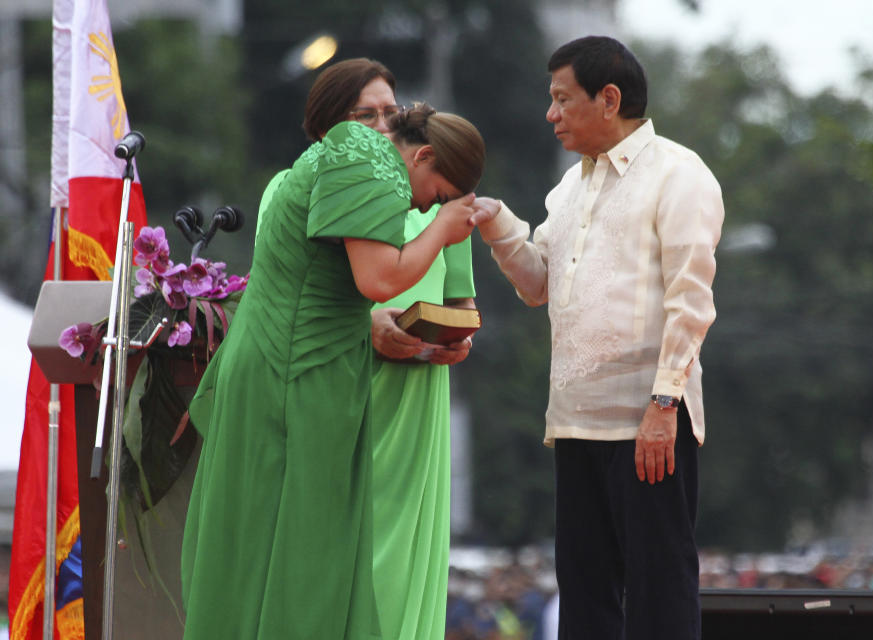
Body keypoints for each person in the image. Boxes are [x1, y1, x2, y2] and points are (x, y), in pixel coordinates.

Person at [180, 100, 486, 639]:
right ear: (425, 155)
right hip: (292, 371)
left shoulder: (359, 155)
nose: (425, 208)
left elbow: (344, 280)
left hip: (306, 364)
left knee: (307, 547)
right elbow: (378, 279)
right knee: (301, 549)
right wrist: (441, 228)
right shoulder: (367, 159)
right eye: (436, 194)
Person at [469, 36, 724, 639]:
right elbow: (539, 286)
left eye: (562, 99)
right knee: (584, 593)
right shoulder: (571, 187)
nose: (550, 114)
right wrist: (498, 223)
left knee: (659, 588)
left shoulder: (679, 174)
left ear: (608, 100)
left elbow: (691, 302)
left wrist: (664, 404)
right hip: (576, 419)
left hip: (649, 420)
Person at [255, 58, 476, 639]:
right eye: (364, 115)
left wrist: (452, 338)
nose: (382, 125)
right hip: (339, 380)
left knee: (404, 560)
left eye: (390, 113)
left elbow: (464, 302)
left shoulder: (439, 191)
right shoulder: (291, 187)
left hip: (417, 391)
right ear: (329, 124)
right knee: (333, 546)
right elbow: (288, 297)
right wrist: (371, 323)